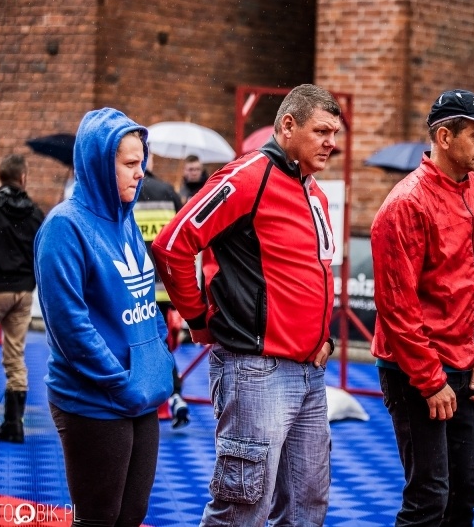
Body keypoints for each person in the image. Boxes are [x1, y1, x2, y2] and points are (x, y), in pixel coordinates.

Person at [152, 83, 339, 526]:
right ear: (288, 126)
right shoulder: (247, 176)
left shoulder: (314, 191)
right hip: (257, 372)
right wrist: (198, 319)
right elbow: (173, 245)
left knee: (306, 508)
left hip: (310, 373)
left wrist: (324, 337)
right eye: (322, 131)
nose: (332, 142)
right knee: (242, 510)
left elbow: (312, 274)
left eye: (335, 133)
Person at [370, 89, 474, 526]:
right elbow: (397, 307)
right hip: (415, 370)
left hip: (463, 364)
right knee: (429, 497)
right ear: (444, 136)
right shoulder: (406, 204)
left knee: (464, 493)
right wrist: (430, 381)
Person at [34, 108, 174, 526]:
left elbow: (145, 304)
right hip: (93, 399)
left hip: (140, 393)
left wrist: (158, 360)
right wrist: (120, 382)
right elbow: (68, 327)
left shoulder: (126, 221)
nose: (140, 174)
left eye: (142, 163)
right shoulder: (65, 227)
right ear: (98, 164)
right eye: (130, 164)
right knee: (98, 518)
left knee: (132, 515)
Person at [0, 154, 44, 442]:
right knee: (15, 357)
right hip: (24, 292)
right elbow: (42, 254)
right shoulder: (37, 214)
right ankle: (14, 425)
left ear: (1, 178)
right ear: (23, 177)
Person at [133, 150, 189, 429]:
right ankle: (173, 395)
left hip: (134, 288)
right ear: (150, 161)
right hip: (164, 287)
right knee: (162, 344)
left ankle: (161, 396)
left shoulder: (125, 191)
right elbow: (181, 241)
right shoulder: (168, 192)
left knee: (143, 347)